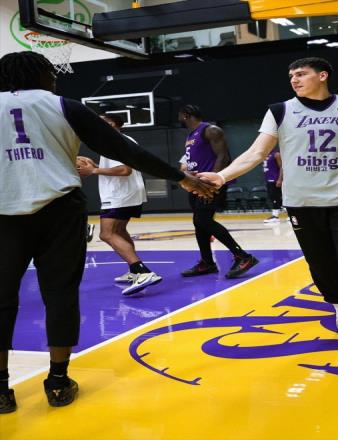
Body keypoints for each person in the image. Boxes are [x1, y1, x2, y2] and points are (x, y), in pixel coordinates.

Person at [0, 51, 213, 414]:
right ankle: (58, 382)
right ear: (40, 75)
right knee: (60, 294)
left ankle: (2, 391)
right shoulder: (64, 105)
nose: (55, 79)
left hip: (4, 212)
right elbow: (123, 150)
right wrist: (181, 178)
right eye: (52, 74)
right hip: (59, 210)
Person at [198, 57, 338, 367]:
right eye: (291, 75)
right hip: (302, 202)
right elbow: (257, 152)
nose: (294, 79)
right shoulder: (280, 110)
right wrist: (221, 176)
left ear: (322, 76)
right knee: (321, 265)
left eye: (301, 74)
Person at [77, 114, 162, 296]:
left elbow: (124, 170)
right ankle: (134, 271)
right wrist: (96, 164)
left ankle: (142, 272)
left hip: (119, 194)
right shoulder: (124, 139)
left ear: (111, 123)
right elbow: (120, 166)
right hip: (130, 192)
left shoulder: (112, 141)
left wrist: (94, 170)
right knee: (120, 231)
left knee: (106, 234)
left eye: (100, 121)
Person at [178, 105, 259, 279]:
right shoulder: (190, 135)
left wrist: (212, 183)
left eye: (180, 115)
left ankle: (243, 256)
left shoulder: (210, 130)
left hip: (210, 184)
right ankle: (207, 262)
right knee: (199, 222)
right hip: (197, 184)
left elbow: (224, 157)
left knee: (203, 220)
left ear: (185, 115)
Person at [262, 148, 283, 223]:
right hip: (268, 179)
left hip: (275, 179)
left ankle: (275, 216)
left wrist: (280, 179)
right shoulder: (265, 154)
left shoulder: (276, 154)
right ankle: (288, 213)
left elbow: (282, 167)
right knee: (272, 197)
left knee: (275, 198)